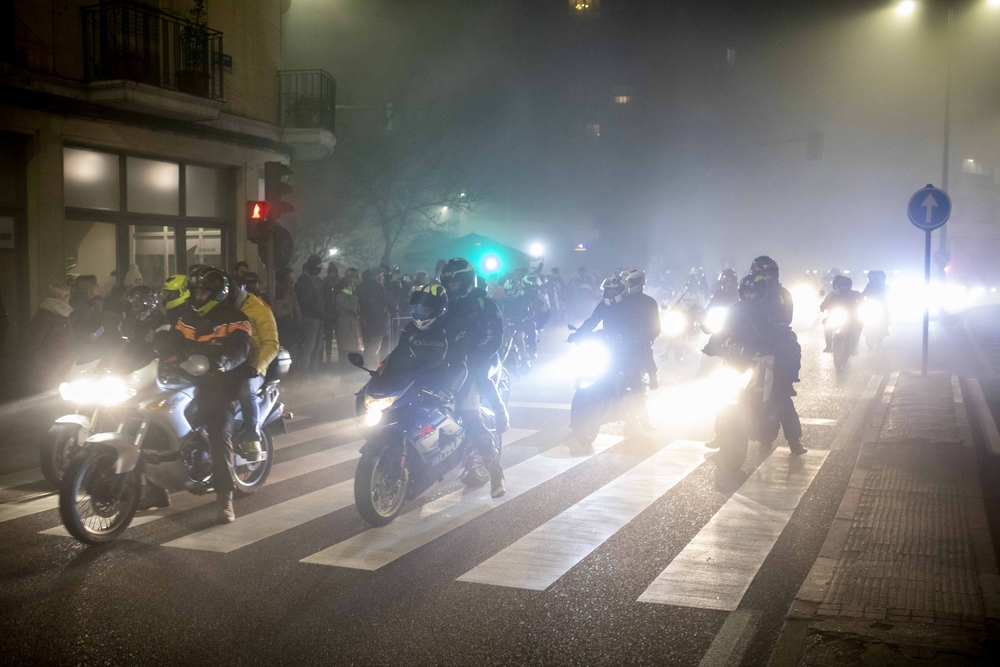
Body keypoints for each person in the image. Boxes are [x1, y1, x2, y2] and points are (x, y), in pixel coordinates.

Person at [159, 267, 252, 523]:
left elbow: (240, 350)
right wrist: (154, 347)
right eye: (195, 291)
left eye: (203, 292)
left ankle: (225, 498)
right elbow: (173, 341)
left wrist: (222, 362)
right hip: (187, 377)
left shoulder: (235, 317)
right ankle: (155, 489)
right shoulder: (185, 315)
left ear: (217, 293)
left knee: (218, 432)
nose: (198, 296)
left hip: (220, 382)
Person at [705, 274, 806, 456]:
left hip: (766, 361)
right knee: (722, 397)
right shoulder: (735, 310)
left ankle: (794, 440)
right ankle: (720, 434)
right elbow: (722, 331)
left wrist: (779, 347)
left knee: (781, 397)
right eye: (747, 291)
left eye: (754, 292)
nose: (750, 295)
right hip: (738, 361)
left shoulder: (773, 312)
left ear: (762, 293)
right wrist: (712, 345)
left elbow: (784, 333)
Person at [441, 258, 507, 497]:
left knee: (470, 417)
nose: (453, 283)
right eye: (449, 279)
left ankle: (496, 473)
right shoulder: (442, 302)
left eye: (457, 279)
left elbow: (495, 338)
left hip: (480, 361)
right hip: (449, 364)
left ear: (468, 279)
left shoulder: (484, 303)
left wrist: (473, 357)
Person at [571, 272, 658, 427]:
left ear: (621, 291)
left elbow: (639, 325)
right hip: (608, 345)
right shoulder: (604, 305)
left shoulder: (630, 304)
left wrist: (637, 336)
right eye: (607, 291)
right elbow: (592, 320)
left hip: (627, 347)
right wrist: (578, 334)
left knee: (634, 378)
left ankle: (644, 418)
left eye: (613, 291)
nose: (610, 294)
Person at [233, 277, 280, 461]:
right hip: (230, 363)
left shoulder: (259, 309)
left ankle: (252, 437)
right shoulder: (222, 310)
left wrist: (255, 367)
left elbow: (271, 344)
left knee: (246, 389)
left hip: (253, 367)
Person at [25, 282, 74, 392]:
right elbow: (34, 341)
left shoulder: (62, 312)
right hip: (49, 364)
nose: (69, 298)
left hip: (60, 362)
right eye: (66, 295)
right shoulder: (46, 314)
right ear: (57, 297)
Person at [357, 267, 394, 369]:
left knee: (367, 346)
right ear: (376, 276)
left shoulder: (361, 286)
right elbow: (389, 301)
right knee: (375, 348)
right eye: (381, 275)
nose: (383, 277)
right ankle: (372, 369)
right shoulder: (378, 287)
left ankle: (364, 367)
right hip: (378, 321)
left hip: (365, 321)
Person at [294, 255, 326, 373]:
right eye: (318, 267)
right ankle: (306, 373)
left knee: (316, 348)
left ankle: (312, 372)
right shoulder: (305, 281)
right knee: (310, 348)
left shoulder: (313, 280)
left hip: (316, 317)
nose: (319, 270)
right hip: (311, 318)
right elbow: (308, 301)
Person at [820, 274, 862, 354]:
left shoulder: (855, 294)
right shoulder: (833, 294)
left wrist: (861, 307)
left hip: (851, 318)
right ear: (839, 285)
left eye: (845, 285)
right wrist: (822, 306)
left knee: (860, 323)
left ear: (849, 286)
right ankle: (828, 345)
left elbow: (862, 302)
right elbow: (825, 302)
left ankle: (854, 345)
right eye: (842, 285)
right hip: (835, 316)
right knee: (826, 322)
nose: (843, 287)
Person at [749, 256, 793, 327]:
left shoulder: (784, 294)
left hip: (775, 333)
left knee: (790, 337)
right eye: (764, 275)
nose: (767, 278)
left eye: (770, 275)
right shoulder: (748, 292)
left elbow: (788, 319)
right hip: (750, 332)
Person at [273, 268, 301, 363]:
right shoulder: (279, 294)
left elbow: (296, 311)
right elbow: (280, 313)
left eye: (292, 281)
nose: (291, 283)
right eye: (289, 281)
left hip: (291, 326)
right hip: (283, 326)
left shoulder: (292, 294)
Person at [335, 275, 362, 365]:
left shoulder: (350, 296)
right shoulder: (340, 297)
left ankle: (351, 368)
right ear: (346, 286)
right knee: (346, 349)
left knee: (353, 348)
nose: (354, 287)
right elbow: (351, 308)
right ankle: (345, 369)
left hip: (352, 324)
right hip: (345, 325)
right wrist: (354, 297)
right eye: (352, 285)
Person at [69, 274, 103, 347]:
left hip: (94, 344)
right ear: (87, 287)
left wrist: (97, 334)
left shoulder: (96, 303)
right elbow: (71, 326)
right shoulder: (77, 304)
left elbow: (101, 324)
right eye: (95, 284)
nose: (98, 286)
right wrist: (87, 336)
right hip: (82, 345)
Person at [323, 262, 340, 366]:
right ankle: (328, 359)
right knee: (328, 338)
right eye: (331, 272)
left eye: (334, 272)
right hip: (328, 313)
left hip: (337, 313)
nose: (333, 274)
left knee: (338, 337)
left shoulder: (339, 283)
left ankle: (338, 359)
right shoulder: (324, 283)